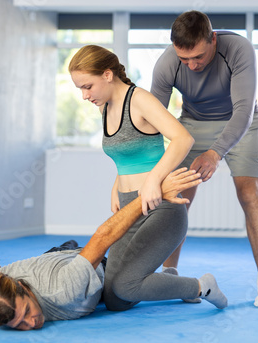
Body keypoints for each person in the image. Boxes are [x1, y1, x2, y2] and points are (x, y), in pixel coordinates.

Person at [0, 169, 227, 330]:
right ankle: (166, 281)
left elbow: (103, 237)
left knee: (118, 296)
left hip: (84, 265)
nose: (31, 323)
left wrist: (154, 192)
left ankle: (200, 286)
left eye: (26, 312)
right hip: (60, 258)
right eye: (19, 326)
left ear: (22, 288)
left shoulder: (63, 290)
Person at [150, 10, 258, 308]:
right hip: (192, 126)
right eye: (185, 60)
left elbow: (244, 110)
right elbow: (152, 117)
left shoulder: (239, 48)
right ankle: (170, 275)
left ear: (213, 40)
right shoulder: (168, 62)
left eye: (198, 57)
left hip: (241, 123)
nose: (192, 66)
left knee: (250, 194)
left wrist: (215, 153)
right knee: (178, 199)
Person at [68, 45, 198, 311]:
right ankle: (165, 280)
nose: (84, 95)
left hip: (160, 205)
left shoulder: (139, 99)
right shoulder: (103, 107)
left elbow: (183, 139)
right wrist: (117, 184)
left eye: (87, 86)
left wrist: (153, 181)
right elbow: (127, 153)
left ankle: (199, 286)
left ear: (107, 74)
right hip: (129, 206)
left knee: (125, 286)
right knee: (115, 300)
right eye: (80, 89)